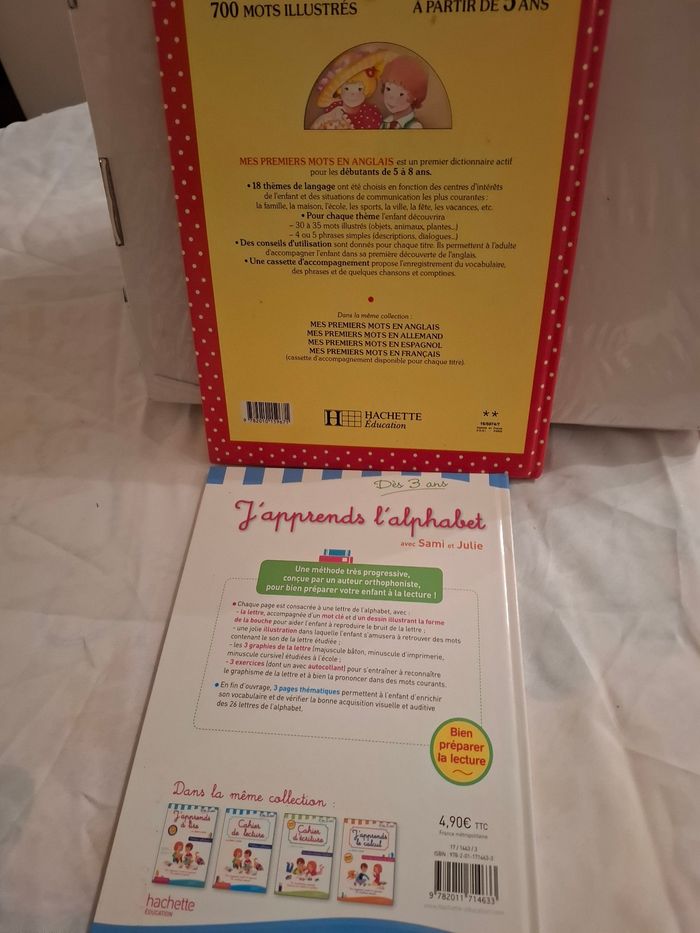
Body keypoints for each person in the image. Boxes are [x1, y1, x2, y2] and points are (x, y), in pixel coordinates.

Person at [312, 49, 388, 130]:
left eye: (359, 89)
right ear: (339, 90)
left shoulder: (371, 114)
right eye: (347, 88)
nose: (353, 94)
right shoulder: (333, 112)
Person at [380, 55, 429, 129]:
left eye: (401, 94)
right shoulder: (385, 123)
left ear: (415, 96)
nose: (391, 97)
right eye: (388, 89)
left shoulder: (414, 127)